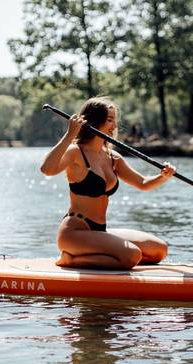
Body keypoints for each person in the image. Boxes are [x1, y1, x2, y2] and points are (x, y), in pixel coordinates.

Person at [40, 96, 176, 269]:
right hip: (75, 233)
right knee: (132, 255)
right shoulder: (76, 152)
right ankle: (72, 259)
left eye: (115, 120)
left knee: (159, 250)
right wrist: (70, 134)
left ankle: (114, 256)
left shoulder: (113, 158)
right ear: (95, 121)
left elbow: (142, 183)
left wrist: (163, 176)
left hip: (99, 232)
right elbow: (47, 169)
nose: (115, 126)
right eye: (110, 120)